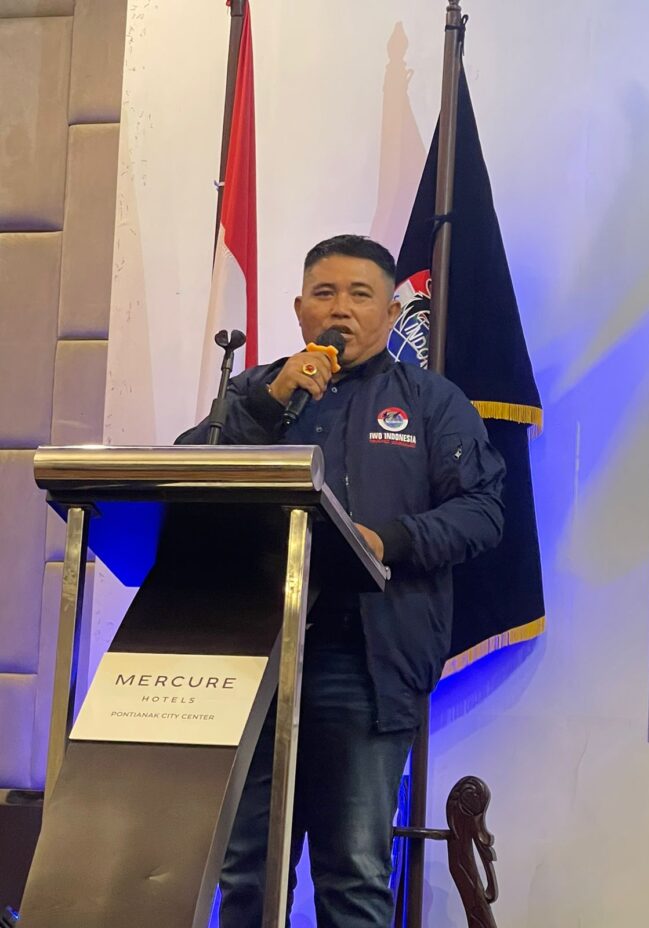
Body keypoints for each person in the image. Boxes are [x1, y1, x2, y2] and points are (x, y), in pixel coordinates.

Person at [177, 234, 506, 927]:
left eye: (360, 295)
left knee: (353, 872)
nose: (341, 309)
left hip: (364, 663)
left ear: (391, 313)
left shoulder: (431, 401)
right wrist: (266, 404)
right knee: (245, 868)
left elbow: (482, 511)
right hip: (254, 662)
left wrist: (389, 540)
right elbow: (189, 474)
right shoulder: (259, 392)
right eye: (324, 294)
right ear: (300, 308)